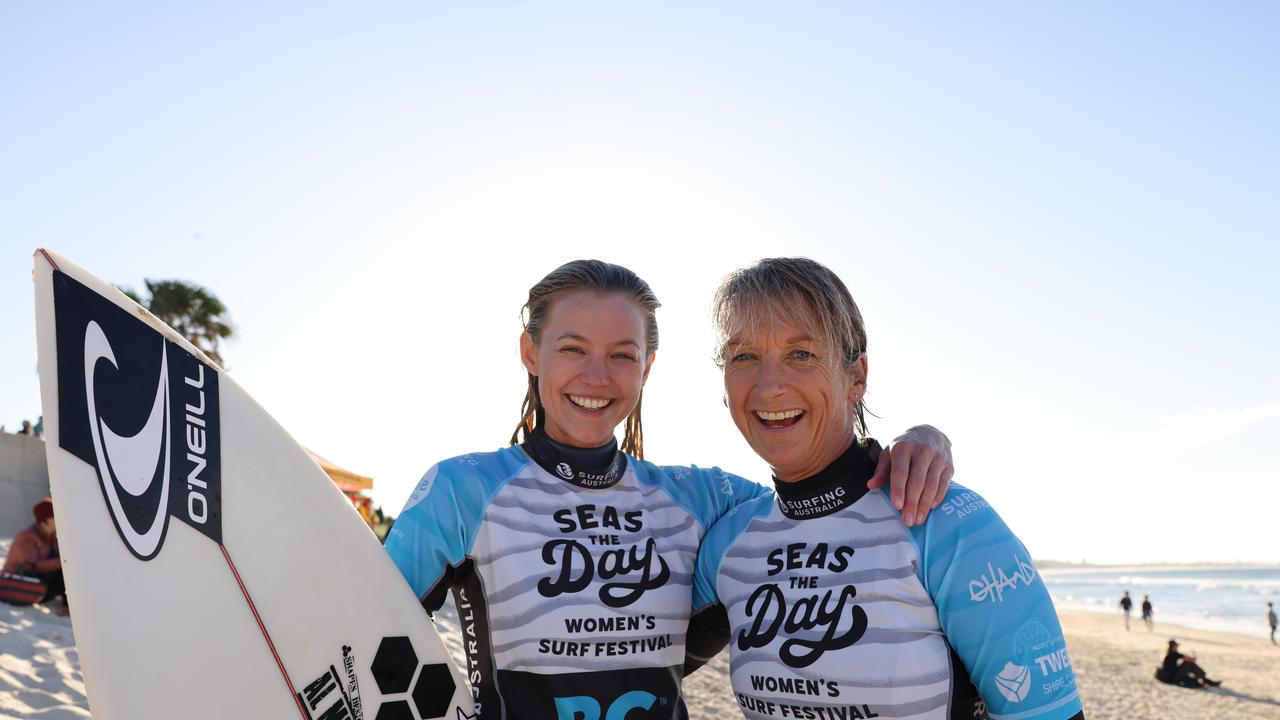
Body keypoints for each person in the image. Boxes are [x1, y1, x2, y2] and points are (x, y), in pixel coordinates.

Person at [384, 260, 954, 720]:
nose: (597, 376)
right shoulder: (463, 492)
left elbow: (817, 497)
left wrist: (914, 441)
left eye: (622, 356)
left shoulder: (700, 501)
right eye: (572, 348)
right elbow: (364, 638)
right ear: (531, 354)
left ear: (648, 366)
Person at [691, 258, 1083, 719]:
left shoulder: (943, 518)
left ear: (856, 377)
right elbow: (620, 664)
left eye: (801, 354)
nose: (769, 385)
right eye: (744, 356)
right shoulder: (728, 538)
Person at [1, 499, 66, 610]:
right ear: (48, 520)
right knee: (63, 569)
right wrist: (61, 562)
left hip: (40, 583)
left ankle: (69, 608)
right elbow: (30, 566)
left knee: (69, 572)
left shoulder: (53, 537)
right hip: (18, 585)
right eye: (57, 517)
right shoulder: (26, 537)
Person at [1155, 640, 1220, 688]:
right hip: (1173, 677)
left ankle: (1205, 679)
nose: (1177, 647)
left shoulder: (1166, 653)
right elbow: (1192, 659)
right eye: (1176, 646)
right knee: (1189, 664)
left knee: (1188, 664)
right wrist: (1193, 655)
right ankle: (1205, 679)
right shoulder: (1173, 654)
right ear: (1173, 646)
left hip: (1170, 676)